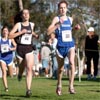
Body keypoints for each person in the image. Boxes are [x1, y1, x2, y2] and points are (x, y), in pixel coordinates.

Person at [47, 0, 80, 95]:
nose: (63, 9)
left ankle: (71, 86)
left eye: (64, 7)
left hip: (70, 45)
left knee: (71, 62)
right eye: (61, 8)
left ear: (67, 8)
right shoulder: (56, 19)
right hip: (60, 47)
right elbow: (48, 32)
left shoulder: (70, 19)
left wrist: (75, 28)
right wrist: (57, 25)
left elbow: (68, 30)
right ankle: (59, 84)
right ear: (58, 9)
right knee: (60, 69)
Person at [9, 9, 38, 97]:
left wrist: (35, 35)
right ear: (21, 16)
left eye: (27, 13)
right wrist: (20, 32)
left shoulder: (32, 25)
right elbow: (10, 35)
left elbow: (31, 32)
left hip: (29, 47)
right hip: (20, 48)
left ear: (29, 15)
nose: (26, 15)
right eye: (24, 14)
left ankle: (28, 90)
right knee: (21, 67)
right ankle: (20, 74)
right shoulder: (18, 25)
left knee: (29, 68)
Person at [0, 26, 17, 92]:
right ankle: (6, 87)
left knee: (11, 74)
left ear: (8, 32)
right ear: (2, 32)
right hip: (2, 58)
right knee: (4, 72)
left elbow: (16, 46)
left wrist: (11, 49)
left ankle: (11, 73)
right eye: (4, 30)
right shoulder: (0, 39)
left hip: (9, 58)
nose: (5, 32)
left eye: (6, 30)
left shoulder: (10, 39)